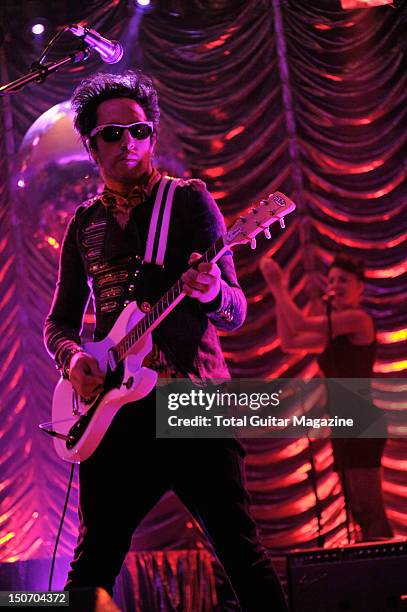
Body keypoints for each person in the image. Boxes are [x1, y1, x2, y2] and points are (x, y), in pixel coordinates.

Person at [44, 70, 288, 611]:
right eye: (111, 134)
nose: (126, 141)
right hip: (114, 409)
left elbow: (235, 311)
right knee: (90, 567)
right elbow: (58, 322)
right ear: (90, 145)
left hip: (191, 399)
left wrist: (207, 292)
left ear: (152, 137)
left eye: (137, 130)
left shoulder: (188, 203)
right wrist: (77, 356)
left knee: (239, 553)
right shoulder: (83, 225)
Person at [260, 253, 393, 542]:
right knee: (357, 511)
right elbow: (290, 340)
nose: (335, 284)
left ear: (361, 287)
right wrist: (276, 290)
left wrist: (279, 286)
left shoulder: (359, 320)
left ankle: (393, 579)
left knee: (370, 509)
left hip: (362, 422)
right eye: (331, 279)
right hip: (343, 422)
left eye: (343, 280)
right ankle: (376, 577)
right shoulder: (332, 329)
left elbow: (300, 323)